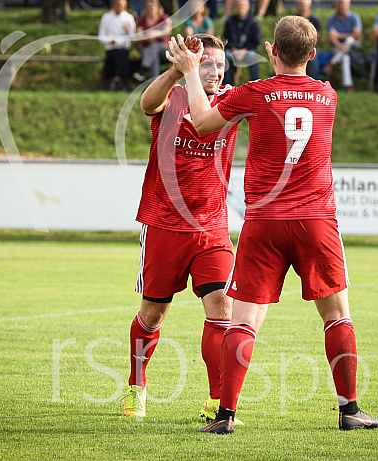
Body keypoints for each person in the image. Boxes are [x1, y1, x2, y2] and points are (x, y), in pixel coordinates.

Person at [166, 16, 378, 434]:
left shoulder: (254, 93)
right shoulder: (327, 94)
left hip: (265, 222)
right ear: (314, 55)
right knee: (337, 315)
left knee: (244, 321)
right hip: (317, 221)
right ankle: (350, 410)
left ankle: (225, 416)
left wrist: (192, 72)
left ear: (271, 50)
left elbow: (202, 121)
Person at [122, 34, 243, 423]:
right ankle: (136, 386)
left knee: (221, 309)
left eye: (219, 65)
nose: (214, 71)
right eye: (206, 63)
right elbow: (146, 104)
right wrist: (178, 68)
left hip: (212, 227)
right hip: (164, 223)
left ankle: (216, 400)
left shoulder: (231, 100)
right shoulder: (171, 96)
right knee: (153, 314)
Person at [98, 0, 136, 91]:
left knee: (121, 55)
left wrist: (128, 31)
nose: (120, 8)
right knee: (121, 58)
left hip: (123, 48)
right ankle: (123, 83)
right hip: (111, 48)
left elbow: (133, 37)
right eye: (118, 5)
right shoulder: (106, 17)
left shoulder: (128, 18)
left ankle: (116, 80)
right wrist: (111, 41)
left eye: (122, 6)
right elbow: (101, 37)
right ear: (113, 5)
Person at [326, 0, 363, 92]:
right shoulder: (331, 19)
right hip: (338, 48)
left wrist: (339, 35)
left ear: (348, 5)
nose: (342, 6)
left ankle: (332, 62)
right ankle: (348, 85)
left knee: (350, 40)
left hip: (353, 49)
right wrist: (341, 46)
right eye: (339, 3)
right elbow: (332, 37)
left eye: (344, 4)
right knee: (345, 57)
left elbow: (357, 35)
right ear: (336, 5)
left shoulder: (355, 17)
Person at [223, 0, 262, 85]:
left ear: (248, 7)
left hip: (247, 50)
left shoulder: (253, 22)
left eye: (243, 6)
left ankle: (256, 84)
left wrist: (245, 49)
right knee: (225, 57)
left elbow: (256, 40)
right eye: (239, 6)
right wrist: (233, 48)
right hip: (232, 50)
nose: (241, 8)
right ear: (235, 7)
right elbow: (225, 38)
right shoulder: (230, 21)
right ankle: (225, 85)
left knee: (253, 56)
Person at [133, 0, 172, 82]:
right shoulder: (141, 20)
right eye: (148, 7)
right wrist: (149, 37)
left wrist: (154, 34)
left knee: (154, 46)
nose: (151, 9)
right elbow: (139, 36)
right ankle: (155, 81)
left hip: (164, 50)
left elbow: (167, 32)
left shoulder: (164, 18)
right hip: (146, 50)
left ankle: (143, 69)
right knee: (154, 54)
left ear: (157, 7)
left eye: (153, 6)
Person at [295, 0, 322, 80]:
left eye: (302, 4)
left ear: (309, 6)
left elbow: (316, 39)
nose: (300, 7)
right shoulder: (293, 19)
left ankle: (314, 82)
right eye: (298, 4)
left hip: (311, 47)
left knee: (314, 61)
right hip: (295, 47)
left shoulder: (315, 20)